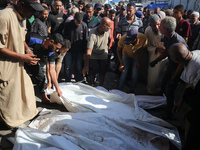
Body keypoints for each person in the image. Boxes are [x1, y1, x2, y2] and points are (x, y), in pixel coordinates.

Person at [0, 0, 44, 128]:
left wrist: (28, 50)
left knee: (27, 89)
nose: (34, 13)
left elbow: (21, 38)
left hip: (18, 63)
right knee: (7, 94)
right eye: (32, 10)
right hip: (5, 65)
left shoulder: (23, 18)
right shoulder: (4, 17)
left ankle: (22, 116)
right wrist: (23, 57)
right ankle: (7, 122)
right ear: (22, 5)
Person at [150, 16, 188, 119]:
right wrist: (155, 61)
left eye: (160, 26)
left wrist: (174, 77)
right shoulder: (167, 37)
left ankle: (169, 113)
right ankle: (162, 104)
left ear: (165, 29)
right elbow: (167, 52)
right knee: (163, 86)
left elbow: (182, 62)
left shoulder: (178, 42)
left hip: (178, 69)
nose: (159, 28)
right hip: (171, 66)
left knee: (170, 90)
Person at [169, 43, 200, 150]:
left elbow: (192, 91)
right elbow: (188, 86)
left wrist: (188, 108)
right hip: (193, 93)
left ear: (176, 60)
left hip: (197, 101)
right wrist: (180, 101)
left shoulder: (192, 70)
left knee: (191, 124)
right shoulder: (194, 53)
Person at [27, 33, 64, 98]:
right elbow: (21, 41)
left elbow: (52, 69)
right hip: (20, 58)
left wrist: (57, 88)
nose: (57, 50)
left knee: (41, 77)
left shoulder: (51, 52)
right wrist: (27, 50)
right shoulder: (34, 38)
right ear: (52, 41)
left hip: (32, 62)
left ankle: (44, 97)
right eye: (57, 48)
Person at [82, 17, 112, 86]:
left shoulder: (108, 31)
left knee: (103, 71)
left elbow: (110, 38)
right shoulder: (92, 33)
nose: (109, 28)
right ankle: (92, 84)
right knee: (92, 71)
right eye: (109, 26)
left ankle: (101, 86)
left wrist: (109, 46)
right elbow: (89, 50)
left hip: (103, 54)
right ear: (103, 26)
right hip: (94, 55)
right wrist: (86, 65)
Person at [117, 28, 148, 92]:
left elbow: (143, 50)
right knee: (124, 72)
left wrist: (138, 61)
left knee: (135, 74)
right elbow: (118, 50)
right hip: (125, 55)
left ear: (136, 38)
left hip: (136, 56)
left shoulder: (143, 38)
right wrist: (121, 63)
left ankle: (132, 90)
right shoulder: (123, 38)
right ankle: (119, 90)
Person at [145, 14, 168, 95]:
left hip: (164, 56)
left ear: (160, 22)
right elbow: (147, 45)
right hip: (153, 55)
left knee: (162, 74)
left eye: (158, 24)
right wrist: (157, 49)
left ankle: (160, 91)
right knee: (153, 75)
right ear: (150, 25)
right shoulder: (148, 31)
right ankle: (151, 91)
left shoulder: (165, 29)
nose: (157, 27)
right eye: (154, 26)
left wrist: (165, 49)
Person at [63, 12, 88, 82]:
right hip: (69, 50)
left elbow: (85, 40)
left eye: (80, 22)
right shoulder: (68, 24)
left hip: (79, 51)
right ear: (74, 19)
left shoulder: (84, 26)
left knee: (78, 66)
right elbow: (65, 36)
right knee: (67, 67)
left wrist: (84, 52)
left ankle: (78, 81)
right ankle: (67, 81)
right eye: (77, 22)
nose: (78, 24)